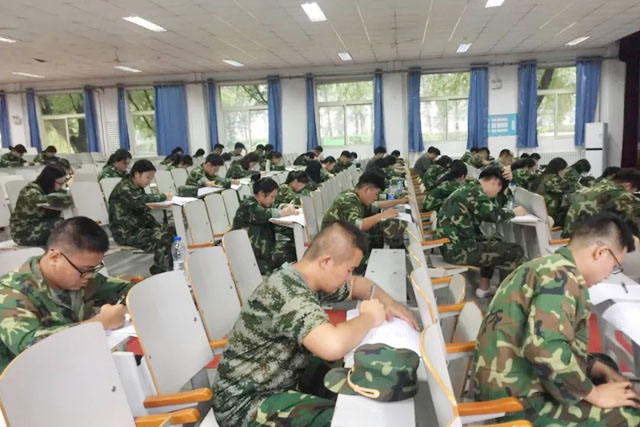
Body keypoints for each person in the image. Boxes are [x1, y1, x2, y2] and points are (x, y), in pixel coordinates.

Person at [213, 221, 418, 427]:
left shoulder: (306, 278)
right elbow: (332, 346)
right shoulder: (287, 292)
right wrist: (369, 318)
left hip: (282, 378)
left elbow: (359, 284)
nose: (349, 276)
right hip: (245, 404)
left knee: (357, 378)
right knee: (345, 420)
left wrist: (389, 303)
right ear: (326, 262)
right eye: (348, 269)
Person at [473, 213, 640, 426]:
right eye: (614, 266)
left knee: (604, 365)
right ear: (601, 252)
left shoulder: (548, 264)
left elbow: (554, 341)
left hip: (505, 381)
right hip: (519, 403)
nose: (609, 274)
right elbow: (544, 348)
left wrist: (596, 367)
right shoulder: (561, 278)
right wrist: (595, 395)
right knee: (631, 413)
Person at [0, 217, 132, 371]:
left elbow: (127, 289)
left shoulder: (81, 277)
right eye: (84, 269)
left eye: (93, 269)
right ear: (55, 257)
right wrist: (101, 323)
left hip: (77, 364)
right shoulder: (9, 293)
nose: (89, 275)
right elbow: (30, 346)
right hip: (26, 377)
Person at [435, 167, 528, 298]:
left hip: (453, 246)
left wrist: (506, 186)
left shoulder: (471, 188)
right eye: (498, 190)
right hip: (458, 251)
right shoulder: (475, 192)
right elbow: (494, 215)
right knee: (514, 251)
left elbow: (495, 206)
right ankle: (504, 297)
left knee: (494, 241)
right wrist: (514, 212)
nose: (495, 195)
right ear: (494, 182)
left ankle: (484, 288)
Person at [108, 159, 176, 274]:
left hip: (139, 228)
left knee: (174, 231)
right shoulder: (124, 188)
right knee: (165, 238)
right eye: (148, 177)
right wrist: (163, 196)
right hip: (127, 233)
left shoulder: (137, 187)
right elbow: (140, 201)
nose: (149, 181)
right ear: (137, 174)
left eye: (151, 178)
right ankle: (161, 272)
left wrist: (157, 227)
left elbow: (143, 213)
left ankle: (169, 267)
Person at [323, 169, 408, 252]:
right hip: (333, 244)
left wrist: (400, 201)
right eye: (376, 194)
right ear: (368, 189)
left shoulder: (356, 196)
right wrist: (382, 215)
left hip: (342, 237)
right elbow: (358, 225)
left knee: (382, 229)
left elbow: (376, 205)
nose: (376, 198)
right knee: (378, 237)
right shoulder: (348, 199)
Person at [232, 176, 297, 275]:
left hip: (263, 251)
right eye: (272, 197)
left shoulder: (259, 204)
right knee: (289, 253)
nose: (273, 200)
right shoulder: (247, 206)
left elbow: (273, 207)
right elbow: (263, 213)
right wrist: (282, 212)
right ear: (261, 194)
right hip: (253, 257)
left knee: (291, 248)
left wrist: (284, 206)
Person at [563, 168, 640, 238]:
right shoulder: (618, 193)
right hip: (584, 241)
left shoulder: (601, 185)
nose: (632, 194)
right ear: (628, 186)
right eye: (634, 191)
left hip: (569, 238)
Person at [10, 163, 72, 246]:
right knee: (61, 224)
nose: (60, 187)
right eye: (59, 183)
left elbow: (64, 194)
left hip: (38, 225)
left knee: (70, 223)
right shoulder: (30, 192)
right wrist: (71, 198)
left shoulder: (49, 189)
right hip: (22, 232)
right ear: (49, 180)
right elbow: (51, 201)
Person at [272, 171, 311, 266]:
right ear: (296, 182)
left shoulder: (294, 190)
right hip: (280, 224)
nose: (303, 187)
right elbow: (298, 200)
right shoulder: (284, 188)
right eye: (302, 184)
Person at [530, 157, 572, 228]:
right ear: (560, 170)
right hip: (548, 216)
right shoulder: (555, 179)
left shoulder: (542, 176)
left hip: (536, 212)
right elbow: (573, 188)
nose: (566, 171)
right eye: (565, 169)